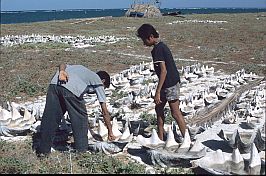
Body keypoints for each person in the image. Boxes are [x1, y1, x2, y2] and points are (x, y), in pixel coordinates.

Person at [36, 63, 116, 156]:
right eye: (104, 87)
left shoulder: (81, 69)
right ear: (103, 81)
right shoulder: (98, 81)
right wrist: (110, 131)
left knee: (51, 118)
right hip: (71, 89)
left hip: (54, 84)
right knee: (80, 119)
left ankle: (43, 151)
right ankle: (82, 152)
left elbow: (62, 64)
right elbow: (104, 110)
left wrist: (61, 71)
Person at [136, 23, 186, 140]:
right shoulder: (161, 46)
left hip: (170, 83)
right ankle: (160, 136)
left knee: (175, 113)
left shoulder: (158, 49)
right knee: (158, 108)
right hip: (167, 83)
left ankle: (187, 138)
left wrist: (158, 91)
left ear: (151, 37)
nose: (144, 43)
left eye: (144, 40)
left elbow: (164, 71)